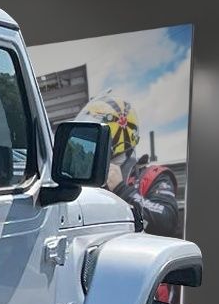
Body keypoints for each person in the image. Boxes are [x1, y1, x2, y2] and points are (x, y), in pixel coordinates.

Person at [78, 94, 182, 238]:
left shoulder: (153, 177)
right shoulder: (87, 176)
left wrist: (121, 189)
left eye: (94, 133)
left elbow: (166, 221)